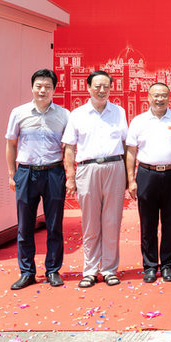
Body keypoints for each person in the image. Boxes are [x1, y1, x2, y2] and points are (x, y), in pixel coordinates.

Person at [62, 70, 128, 288]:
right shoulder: (77, 114)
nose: (102, 90)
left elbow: (126, 144)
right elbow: (69, 148)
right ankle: (90, 271)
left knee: (112, 221)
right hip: (87, 169)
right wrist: (70, 177)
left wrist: (129, 176)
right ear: (88, 88)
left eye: (106, 86)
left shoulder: (118, 112)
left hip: (114, 167)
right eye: (97, 86)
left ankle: (109, 269)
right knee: (90, 222)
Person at [5, 69, 69, 290]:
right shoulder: (19, 113)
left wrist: (69, 174)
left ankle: (52, 270)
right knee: (25, 226)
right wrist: (11, 174)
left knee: (54, 225)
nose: (43, 90)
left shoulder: (64, 115)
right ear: (32, 87)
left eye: (47, 87)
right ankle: (27, 272)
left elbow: (69, 147)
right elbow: (11, 144)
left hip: (54, 172)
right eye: (39, 86)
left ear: (54, 89)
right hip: (26, 173)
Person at [125, 83, 171, 284]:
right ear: (148, 97)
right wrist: (131, 179)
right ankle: (150, 266)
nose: (159, 99)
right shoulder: (138, 121)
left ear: (169, 97)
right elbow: (131, 152)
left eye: (163, 95)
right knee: (148, 223)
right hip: (147, 174)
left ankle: (167, 265)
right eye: (156, 95)